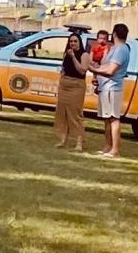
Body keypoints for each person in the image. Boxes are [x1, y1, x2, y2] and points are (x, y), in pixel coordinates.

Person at [87, 23, 132, 157]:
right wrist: (97, 74)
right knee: (106, 118)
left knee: (113, 118)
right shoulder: (114, 48)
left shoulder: (121, 50)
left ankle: (115, 149)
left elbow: (111, 70)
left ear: (114, 34)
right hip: (105, 87)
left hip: (113, 88)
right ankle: (107, 146)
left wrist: (94, 70)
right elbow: (105, 66)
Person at [53, 30, 91, 150]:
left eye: (75, 41)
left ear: (79, 42)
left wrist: (74, 57)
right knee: (63, 113)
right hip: (65, 85)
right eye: (71, 41)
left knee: (75, 114)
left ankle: (79, 142)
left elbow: (82, 70)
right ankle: (63, 140)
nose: (73, 43)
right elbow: (64, 68)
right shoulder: (66, 54)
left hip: (77, 86)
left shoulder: (84, 55)